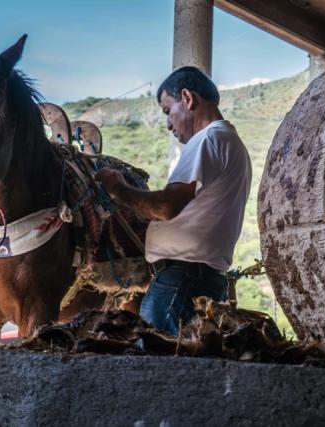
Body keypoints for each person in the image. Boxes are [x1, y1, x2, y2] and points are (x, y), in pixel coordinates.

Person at [95, 66, 252, 335]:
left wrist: (117, 188)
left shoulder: (208, 139)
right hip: (200, 278)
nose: (168, 124)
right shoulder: (229, 142)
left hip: (182, 280)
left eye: (168, 110)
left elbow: (165, 207)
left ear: (187, 98)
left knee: (153, 362)